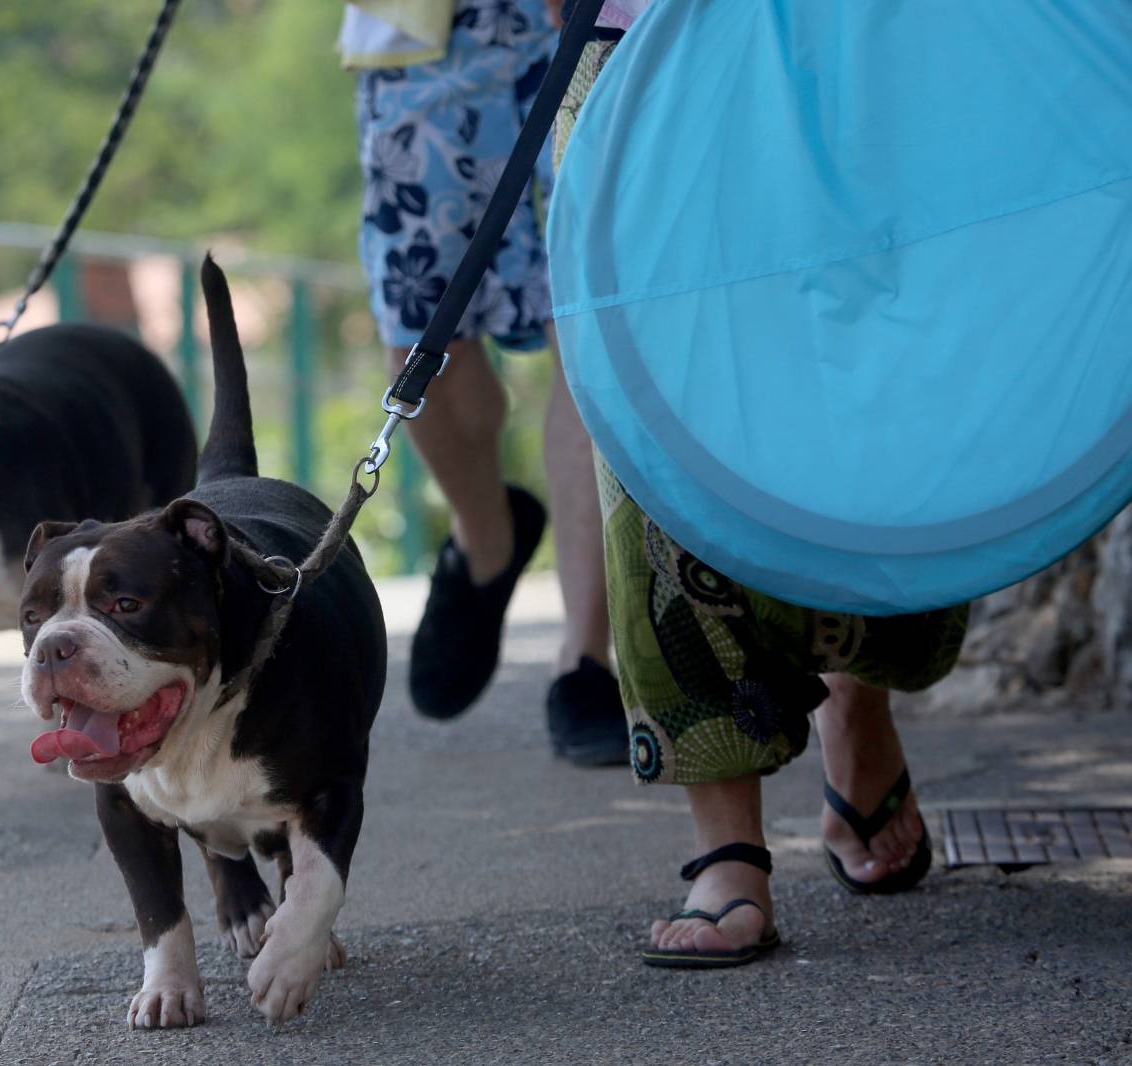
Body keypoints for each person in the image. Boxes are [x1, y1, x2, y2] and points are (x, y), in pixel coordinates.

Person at [549, 6, 970, 967]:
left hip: (869, 32)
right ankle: (726, 848)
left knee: (892, 399)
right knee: (659, 449)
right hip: (633, 43)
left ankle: (859, 698)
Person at [342, 0, 629, 765]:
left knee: (590, 307)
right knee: (420, 325)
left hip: (598, 14)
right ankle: (486, 537)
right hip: (425, 30)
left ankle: (586, 658)